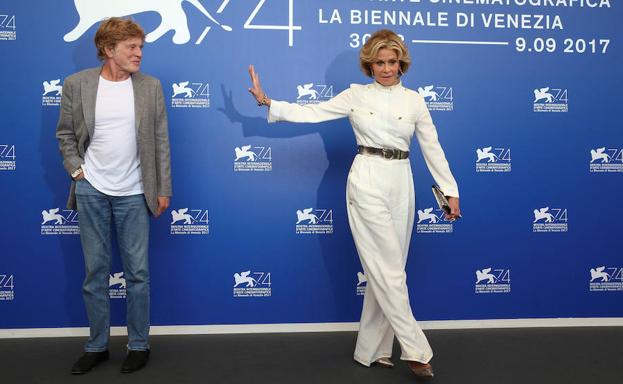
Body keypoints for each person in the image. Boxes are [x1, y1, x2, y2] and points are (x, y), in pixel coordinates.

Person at [247, 29, 460, 379]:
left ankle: (371, 350)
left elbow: (432, 147)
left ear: (401, 63)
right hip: (367, 179)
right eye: (380, 62)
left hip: (402, 180)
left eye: (392, 62)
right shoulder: (355, 95)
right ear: (369, 64)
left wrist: (449, 189)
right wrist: (269, 103)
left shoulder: (415, 101)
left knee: (387, 268)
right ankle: (416, 349)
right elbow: (312, 112)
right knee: (389, 271)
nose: (387, 68)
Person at [56, 17, 172, 374]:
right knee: (96, 271)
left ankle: (138, 344)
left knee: (138, 273)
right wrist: (78, 171)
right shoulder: (77, 85)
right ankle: (97, 345)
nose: (139, 54)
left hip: (136, 191)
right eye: (131, 48)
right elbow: (65, 136)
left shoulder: (151, 87)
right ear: (109, 50)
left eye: (140, 47)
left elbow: (160, 142)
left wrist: (163, 188)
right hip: (92, 190)